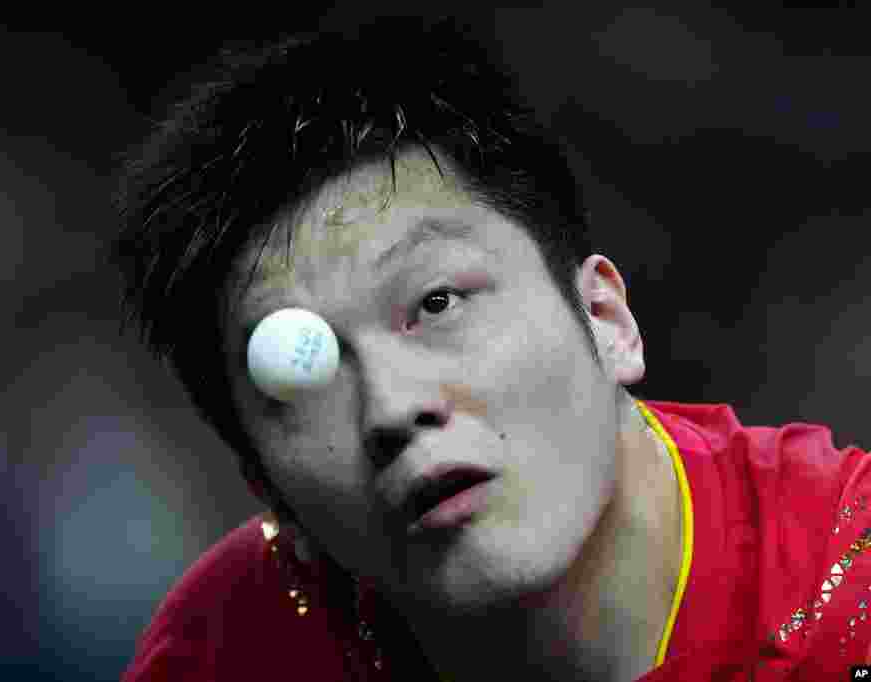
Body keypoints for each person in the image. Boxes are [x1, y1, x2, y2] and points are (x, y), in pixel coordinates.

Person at [106, 15, 871, 681]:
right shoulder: (226, 654)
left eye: (436, 303)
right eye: (308, 375)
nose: (393, 409)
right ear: (268, 490)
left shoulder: (849, 601)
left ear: (606, 319)